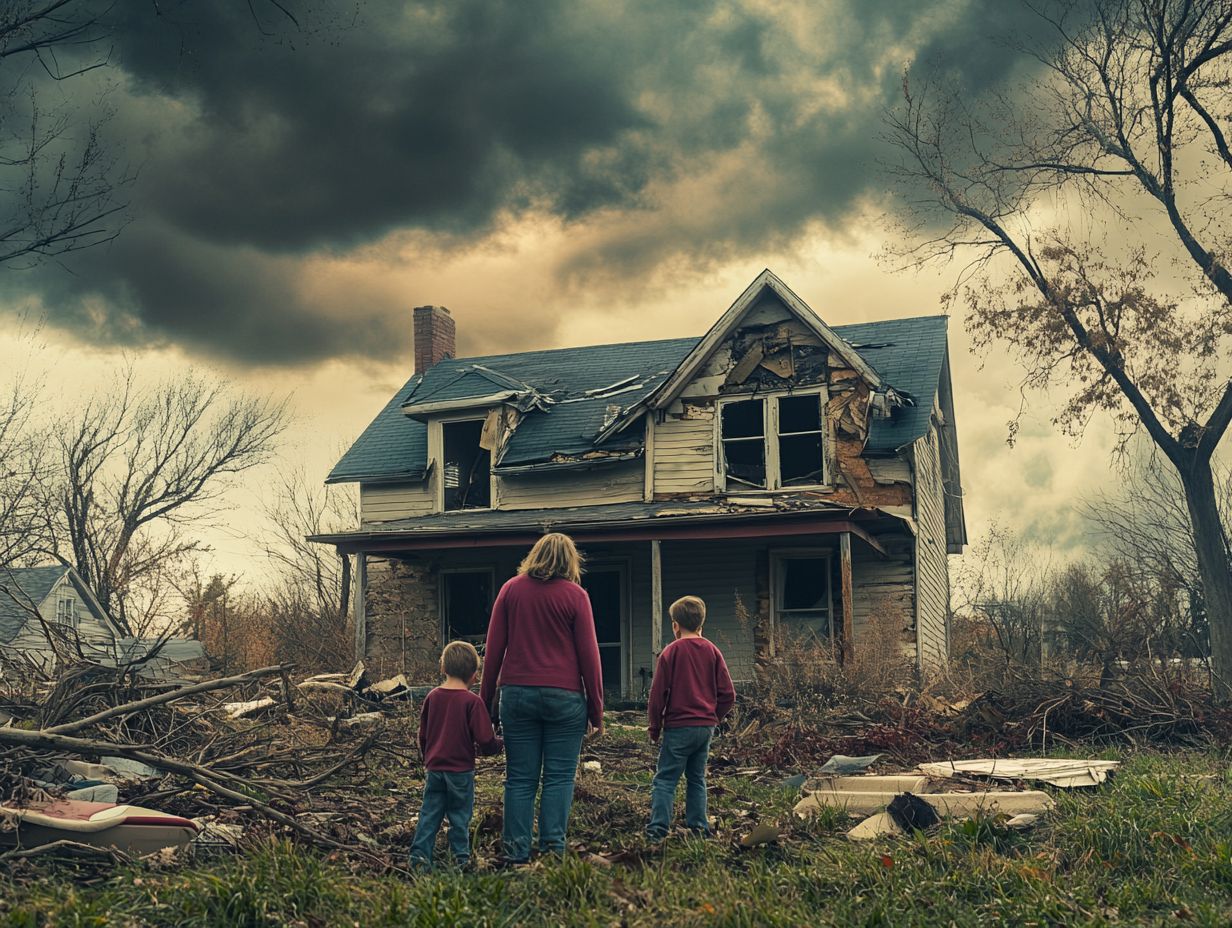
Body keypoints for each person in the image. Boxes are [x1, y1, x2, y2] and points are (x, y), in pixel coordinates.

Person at [480, 532, 603, 863]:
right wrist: (596, 710)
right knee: (560, 778)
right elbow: (590, 657)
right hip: (565, 699)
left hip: (517, 695)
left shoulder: (510, 590)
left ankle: (516, 852)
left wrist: (485, 703)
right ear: (570, 561)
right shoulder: (576, 596)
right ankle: (552, 851)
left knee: (520, 778)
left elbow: (493, 653)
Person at [645, 595, 735, 842]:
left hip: (678, 727)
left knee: (665, 779)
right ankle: (698, 828)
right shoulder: (712, 650)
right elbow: (728, 694)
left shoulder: (670, 652)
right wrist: (713, 717)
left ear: (675, 625)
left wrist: (654, 725)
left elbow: (657, 695)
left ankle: (657, 830)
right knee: (697, 778)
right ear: (701, 624)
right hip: (705, 727)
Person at [409, 640, 503, 870]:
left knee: (429, 813)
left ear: (443, 669)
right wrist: (499, 745)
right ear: (474, 674)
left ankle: (419, 859)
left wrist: (426, 758)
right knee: (460, 816)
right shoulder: (472, 702)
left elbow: (423, 733)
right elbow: (484, 738)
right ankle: (460, 859)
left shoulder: (432, 697)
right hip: (460, 770)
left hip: (435, 768)